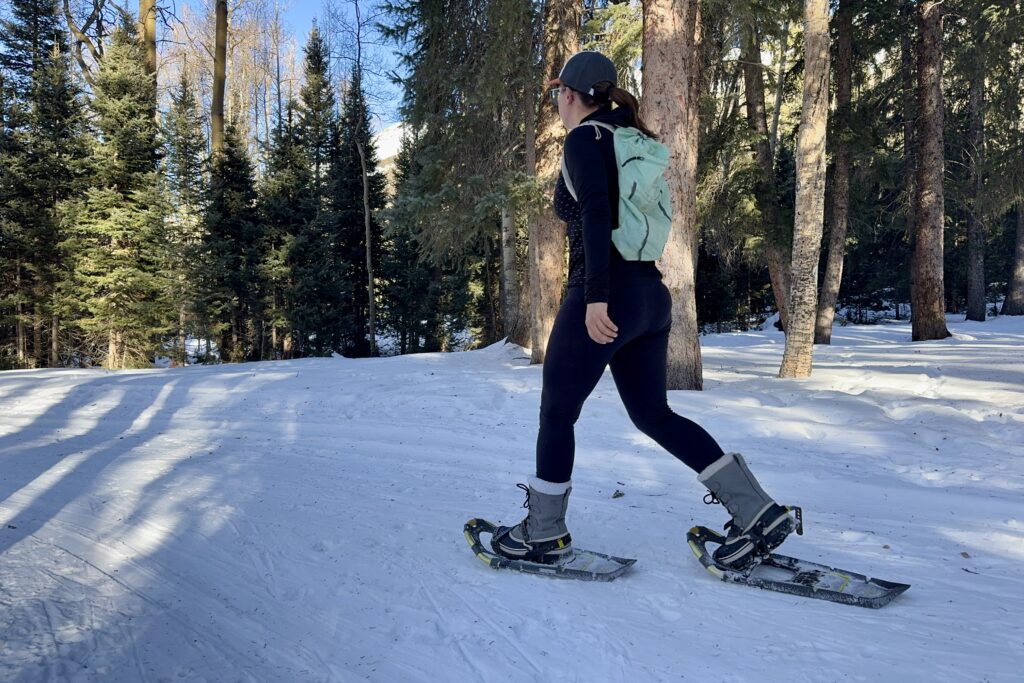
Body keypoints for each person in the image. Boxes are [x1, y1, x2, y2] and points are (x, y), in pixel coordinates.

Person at [491, 51, 795, 571]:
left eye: (555, 94)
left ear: (569, 94)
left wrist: (593, 298)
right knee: (653, 414)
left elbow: (595, 214)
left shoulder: (585, 140)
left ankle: (542, 533)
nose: (555, 104)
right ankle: (756, 512)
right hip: (650, 296)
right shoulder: (630, 139)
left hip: (606, 294)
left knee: (558, 411)